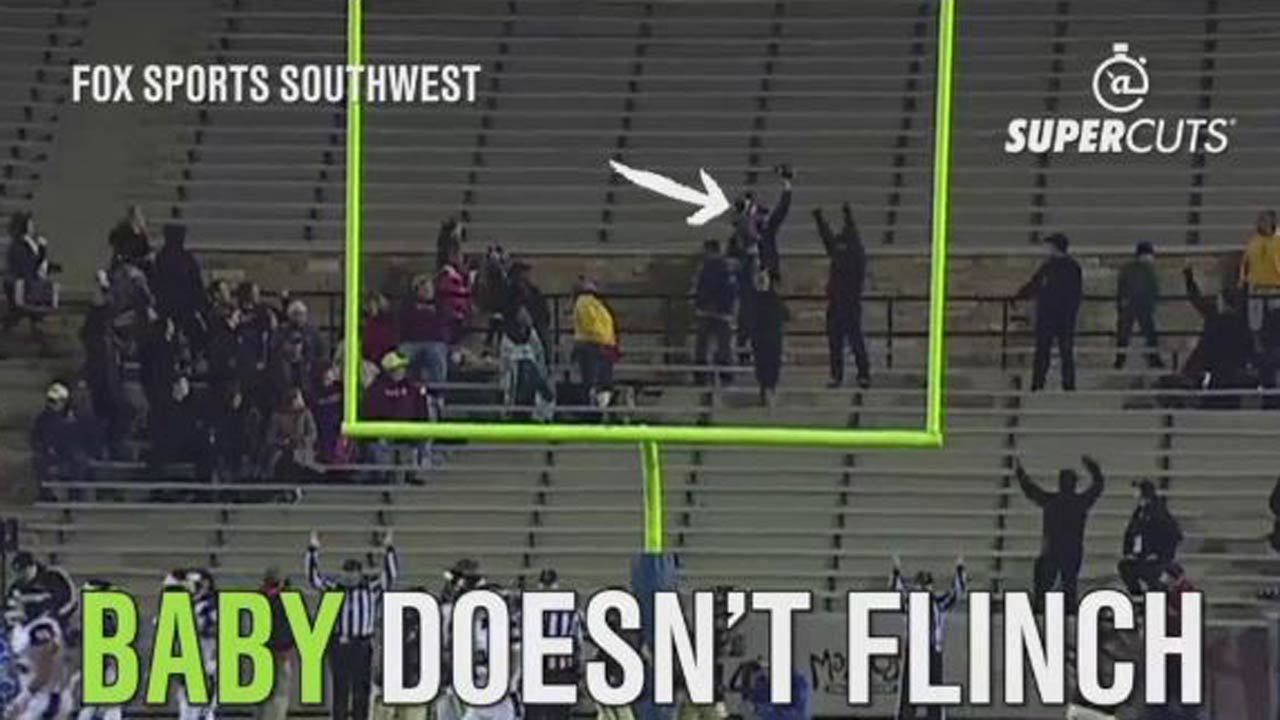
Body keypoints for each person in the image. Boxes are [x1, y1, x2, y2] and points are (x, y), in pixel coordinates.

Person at [306, 530, 398, 720]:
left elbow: (389, 577)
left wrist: (389, 549)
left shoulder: (370, 589)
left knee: (361, 690)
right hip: (339, 643)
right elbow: (313, 578)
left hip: (362, 645)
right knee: (340, 688)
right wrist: (313, 549)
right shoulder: (333, 589)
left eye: (352, 573)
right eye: (346, 573)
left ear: (359, 574)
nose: (349, 578)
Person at [1016, 456, 1104, 611]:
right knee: (1070, 581)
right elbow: (1098, 486)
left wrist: (1020, 473)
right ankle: (1070, 607)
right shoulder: (1080, 502)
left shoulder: (1051, 501)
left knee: (1043, 580)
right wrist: (1093, 468)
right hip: (1073, 549)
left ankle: (1039, 604)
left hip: (1052, 548)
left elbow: (1030, 490)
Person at [890, 556, 967, 720]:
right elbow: (896, 592)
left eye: (926, 585)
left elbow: (957, 592)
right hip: (921, 652)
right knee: (911, 695)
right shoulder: (920, 603)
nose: (924, 589)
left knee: (930, 695)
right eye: (922, 585)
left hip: (930, 651)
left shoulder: (936, 603)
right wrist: (896, 571)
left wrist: (960, 570)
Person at [1015, 233, 1083, 391]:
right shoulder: (1051, 266)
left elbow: (1074, 293)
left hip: (1059, 316)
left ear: (1055, 247)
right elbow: (1035, 284)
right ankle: (1041, 383)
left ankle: (1064, 383)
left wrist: (1071, 312)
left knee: (1062, 351)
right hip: (1051, 316)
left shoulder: (1067, 267)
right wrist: (1020, 295)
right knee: (1046, 351)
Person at [814, 202, 871, 389]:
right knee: (837, 342)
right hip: (838, 303)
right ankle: (839, 375)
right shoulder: (846, 251)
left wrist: (844, 216)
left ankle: (861, 374)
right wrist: (820, 220)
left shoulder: (853, 254)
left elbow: (832, 240)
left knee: (854, 341)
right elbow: (828, 239)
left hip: (849, 303)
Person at [1180, 266, 1256, 396]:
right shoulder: (1242, 324)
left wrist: (1188, 278)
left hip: (1216, 376)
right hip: (1235, 380)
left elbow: (1196, 299)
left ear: (1222, 302)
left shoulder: (1214, 320)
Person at [3, 585, 75, 720]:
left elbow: (45, 670)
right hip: (32, 694)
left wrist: (22, 700)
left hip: (44, 698)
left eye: (19, 603)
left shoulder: (42, 628)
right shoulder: (21, 629)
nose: (13, 607)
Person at [523, 569, 582, 720]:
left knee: (556, 714)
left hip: (558, 672)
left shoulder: (571, 612)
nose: (547, 589)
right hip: (543, 672)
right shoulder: (570, 612)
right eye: (545, 585)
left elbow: (578, 643)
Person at [362, 351, 434, 475]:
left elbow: (422, 410)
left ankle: (414, 470)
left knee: (426, 427)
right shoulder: (376, 388)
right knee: (379, 445)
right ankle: (382, 474)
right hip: (383, 431)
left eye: (402, 368)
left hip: (407, 430)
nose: (400, 371)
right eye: (396, 368)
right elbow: (370, 413)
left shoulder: (412, 387)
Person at [1117, 480, 1182, 596]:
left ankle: (1150, 602)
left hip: (1154, 559)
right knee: (1126, 568)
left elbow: (1174, 534)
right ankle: (1140, 598)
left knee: (1152, 581)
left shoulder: (1157, 511)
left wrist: (1159, 553)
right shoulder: (1141, 510)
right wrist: (1130, 551)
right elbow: (1133, 532)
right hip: (1142, 556)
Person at [730, 164, 793, 278]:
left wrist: (787, 184)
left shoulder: (765, 229)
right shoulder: (743, 229)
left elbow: (782, 208)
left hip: (765, 269)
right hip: (753, 271)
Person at [152, 223, 207, 349]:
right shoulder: (185, 258)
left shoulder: (161, 258)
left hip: (170, 306)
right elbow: (196, 283)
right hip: (181, 306)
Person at [3, 212, 56, 336]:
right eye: (30, 224)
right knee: (23, 307)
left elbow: (35, 263)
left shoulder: (28, 243)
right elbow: (28, 266)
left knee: (18, 312)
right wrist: (42, 250)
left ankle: (27, 324)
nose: (33, 226)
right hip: (20, 284)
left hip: (24, 282)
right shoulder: (19, 245)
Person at [692, 240, 737, 386]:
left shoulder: (707, 268)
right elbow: (731, 290)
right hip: (721, 313)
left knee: (703, 345)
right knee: (723, 345)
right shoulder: (726, 268)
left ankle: (701, 374)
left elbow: (702, 289)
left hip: (708, 312)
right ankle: (724, 373)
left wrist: (702, 304)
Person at [1114, 241, 1163, 370]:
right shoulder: (1148, 270)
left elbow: (1121, 288)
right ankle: (1154, 358)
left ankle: (1120, 360)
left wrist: (1121, 305)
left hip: (1129, 306)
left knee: (1124, 334)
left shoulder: (1127, 269)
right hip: (1142, 307)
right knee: (1150, 334)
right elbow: (1154, 289)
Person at [499, 309, 554, 422]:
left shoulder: (532, 334)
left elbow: (539, 354)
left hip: (533, 372)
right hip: (514, 373)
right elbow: (505, 360)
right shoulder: (508, 337)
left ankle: (539, 414)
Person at [30, 383, 90, 485]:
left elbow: (75, 440)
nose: (55, 404)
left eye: (59, 401)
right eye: (52, 401)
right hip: (47, 456)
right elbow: (37, 439)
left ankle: (75, 494)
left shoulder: (71, 420)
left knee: (79, 461)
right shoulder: (41, 419)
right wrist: (47, 449)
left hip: (66, 456)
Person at [572, 279, 618, 408]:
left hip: (598, 345)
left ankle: (599, 407)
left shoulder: (593, 304)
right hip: (594, 346)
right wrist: (606, 341)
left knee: (599, 381)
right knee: (597, 381)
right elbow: (592, 325)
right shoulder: (586, 303)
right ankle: (595, 409)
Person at [399, 276, 451, 388]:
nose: (427, 291)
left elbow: (443, 325)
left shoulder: (440, 306)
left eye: (429, 288)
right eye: (423, 288)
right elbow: (404, 326)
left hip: (435, 342)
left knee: (436, 355)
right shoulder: (408, 307)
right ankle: (405, 390)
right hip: (412, 342)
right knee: (403, 354)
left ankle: (437, 394)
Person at [256, 570, 295, 720]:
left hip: (278, 651)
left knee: (278, 693)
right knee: (270, 693)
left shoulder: (282, 601)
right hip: (269, 651)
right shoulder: (274, 600)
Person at [6, 552, 76, 633]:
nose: (20, 575)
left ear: (32, 566)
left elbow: (71, 599)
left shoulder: (54, 576)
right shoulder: (16, 586)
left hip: (58, 624)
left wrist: (56, 616)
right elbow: (11, 607)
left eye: (23, 571)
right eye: (17, 572)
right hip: (29, 629)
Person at [748, 270, 786, 409]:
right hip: (770, 339)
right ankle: (768, 391)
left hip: (763, 339)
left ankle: (766, 391)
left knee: (764, 368)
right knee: (770, 367)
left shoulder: (758, 300)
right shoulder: (773, 300)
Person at [263, 387, 318, 480]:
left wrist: (301, 440)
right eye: (290, 398)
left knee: (301, 464)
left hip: (302, 450)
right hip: (282, 451)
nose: (293, 401)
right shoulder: (277, 416)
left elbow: (313, 434)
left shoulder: (305, 414)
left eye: (295, 398)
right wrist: (281, 441)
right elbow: (270, 437)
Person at [209, 383, 259, 483]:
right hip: (225, 447)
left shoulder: (248, 414)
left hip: (242, 447)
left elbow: (252, 434)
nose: (234, 400)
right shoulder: (221, 413)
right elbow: (217, 432)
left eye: (236, 397)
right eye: (231, 396)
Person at [1240, 210, 1280, 330]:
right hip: (1256, 285)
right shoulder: (1253, 240)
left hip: (1275, 286)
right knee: (1255, 321)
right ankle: (1257, 343)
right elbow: (1246, 261)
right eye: (1260, 220)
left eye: (1264, 220)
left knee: (1276, 317)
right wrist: (1242, 279)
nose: (1260, 223)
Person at [107, 204, 152, 269]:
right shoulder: (123, 230)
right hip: (125, 265)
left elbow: (146, 250)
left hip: (134, 265)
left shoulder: (142, 234)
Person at [362, 293, 398, 366]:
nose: (370, 307)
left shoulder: (387, 322)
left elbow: (387, 343)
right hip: (367, 357)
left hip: (382, 357)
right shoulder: (368, 322)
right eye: (369, 305)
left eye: (373, 305)